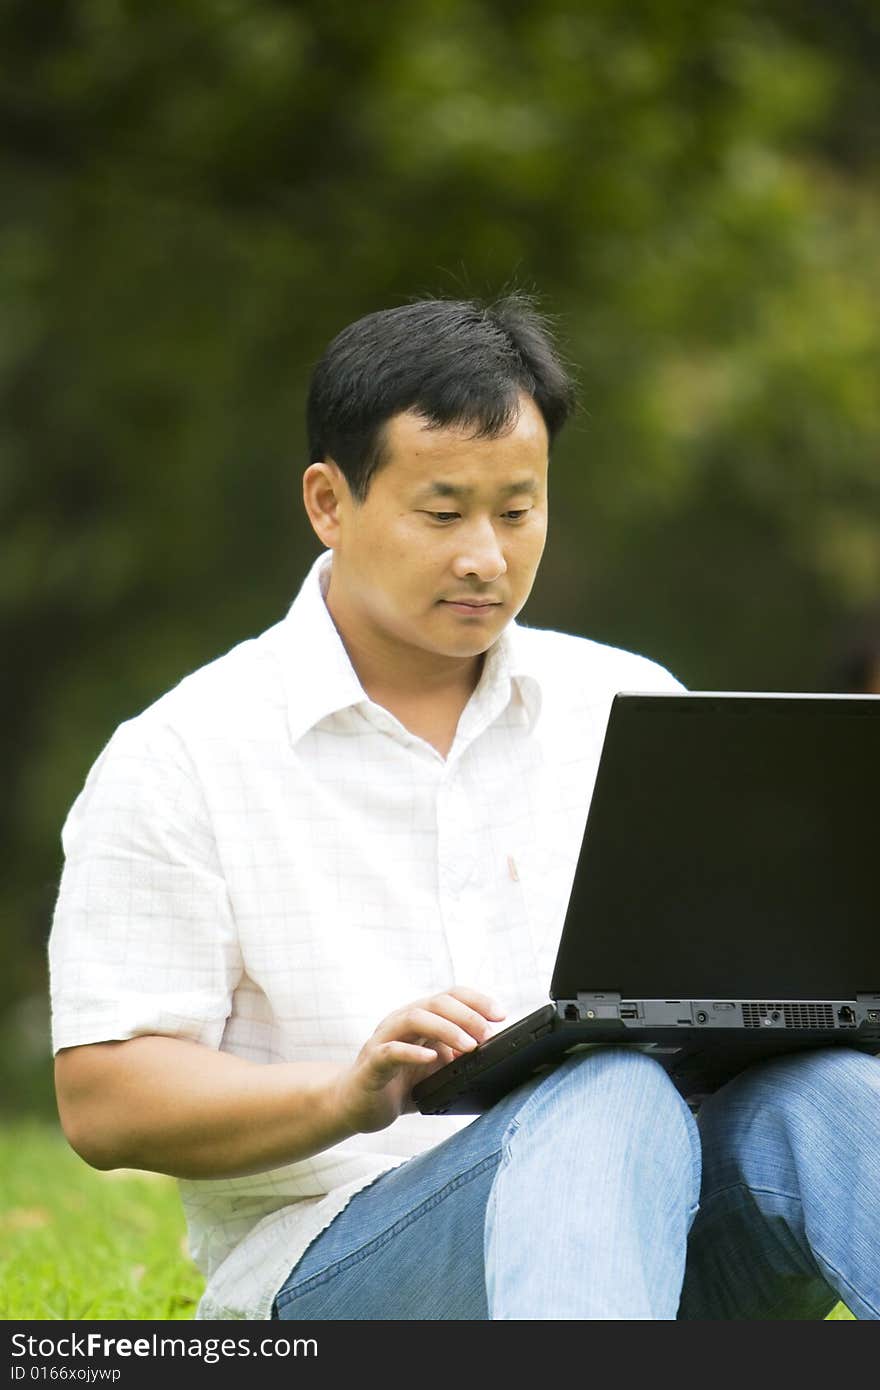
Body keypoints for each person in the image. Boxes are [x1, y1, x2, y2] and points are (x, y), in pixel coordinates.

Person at [49, 296, 880, 1321]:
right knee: (599, 1092)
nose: (485, 555)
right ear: (327, 502)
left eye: (517, 509)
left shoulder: (633, 703)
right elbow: (104, 1099)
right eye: (442, 513)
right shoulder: (182, 752)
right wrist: (347, 1091)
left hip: (660, 1228)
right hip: (351, 1259)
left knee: (834, 1094)